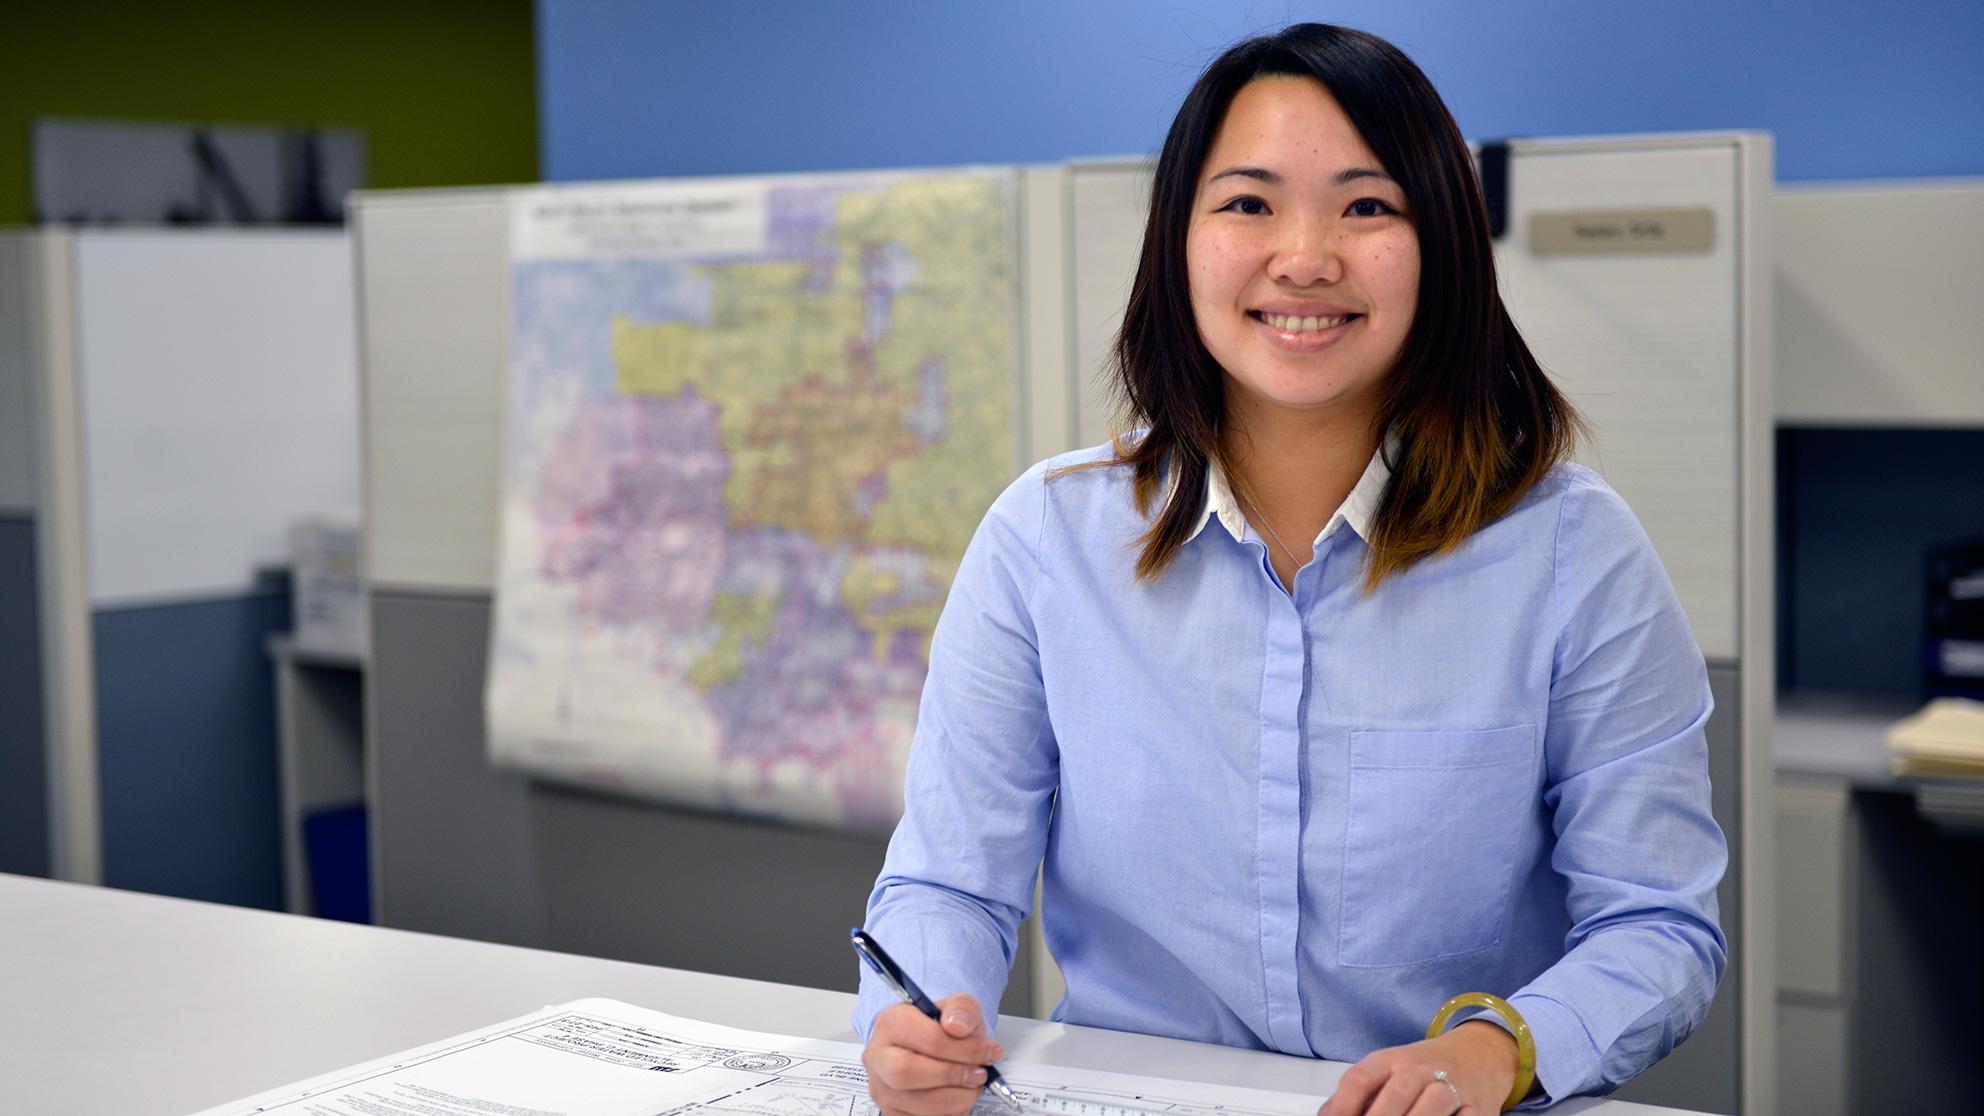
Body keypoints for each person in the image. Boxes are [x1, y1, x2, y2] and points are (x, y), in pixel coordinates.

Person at [854, 22, 1726, 1116]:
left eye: (1367, 206)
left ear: (1441, 250)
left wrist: (1495, 1051)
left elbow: (1657, 924)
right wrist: (917, 1022)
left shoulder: (1571, 554)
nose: (1305, 256)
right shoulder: (1045, 543)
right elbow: (946, 881)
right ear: (1178, 241)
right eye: (1247, 203)